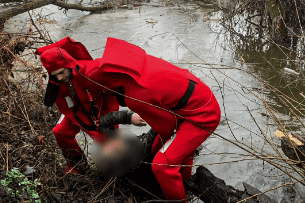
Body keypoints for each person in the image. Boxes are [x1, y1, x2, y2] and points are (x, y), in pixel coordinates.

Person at [92, 37, 221, 202]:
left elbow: (166, 126)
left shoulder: (137, 97)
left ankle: (183, 191)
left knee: (162, 165)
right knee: (172, 159)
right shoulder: (122, 165)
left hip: (200, 113)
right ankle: (185, 184)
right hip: (192, 108)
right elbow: (104, 122)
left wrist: (130, 118)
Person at [35, 37, 146, 175]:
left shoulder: (91, 72)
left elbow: (114, 91)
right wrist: (86, 124)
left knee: (109, 144)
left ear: (69, 64)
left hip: (103, 110)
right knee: (60, 132)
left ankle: (126, 168)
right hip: (78, 112)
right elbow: (66, 106)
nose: (59, 78)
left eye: (61, 73)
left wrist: (114, 118)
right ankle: (77, 165)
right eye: (54, 75)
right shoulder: (57, 84)